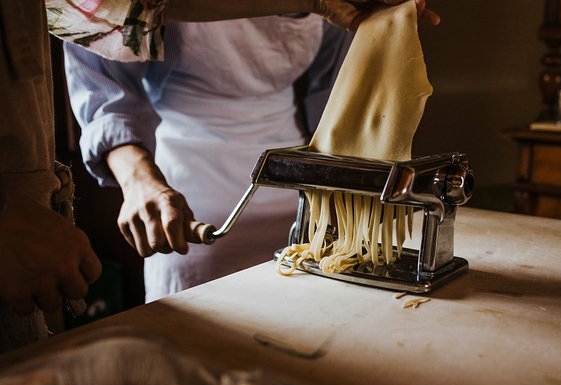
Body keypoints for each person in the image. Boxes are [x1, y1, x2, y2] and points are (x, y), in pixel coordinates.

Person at [1, 0, 438, 351]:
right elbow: (108, 94)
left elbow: (340, 96)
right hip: (188, 196)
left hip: (300, 199)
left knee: (310, 347)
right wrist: (140, 182)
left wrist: (343, 184)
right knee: (202, 356)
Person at [65, 18, 353, 301]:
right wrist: (139, 181)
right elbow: (104, 89)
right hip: (188, 210)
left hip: (300, 209)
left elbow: (337, 94)